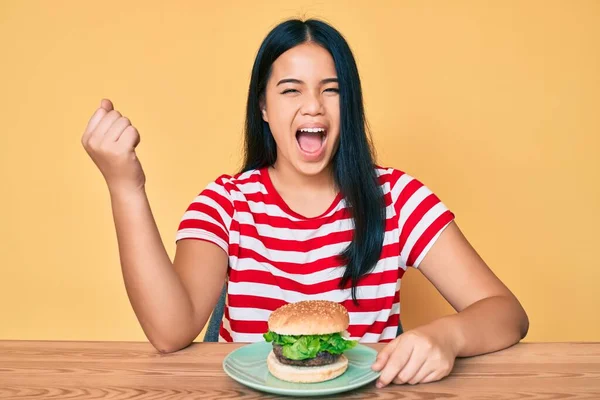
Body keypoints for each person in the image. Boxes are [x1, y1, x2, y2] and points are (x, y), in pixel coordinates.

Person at [81, 18, 528, 387]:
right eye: (291, 90)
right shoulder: (226, 203)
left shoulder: (397, 198)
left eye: (330, 90)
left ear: (348, 105)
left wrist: (447, 336)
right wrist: (126, 187)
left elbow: (506, 312)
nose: (313, 106)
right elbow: (168, 332)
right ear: (263, 107)